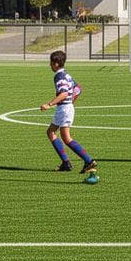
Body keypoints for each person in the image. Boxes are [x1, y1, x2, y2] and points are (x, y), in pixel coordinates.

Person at [39, 50, 98, 183]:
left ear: (56, 63)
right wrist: (71, 101)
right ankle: (66, 163)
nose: (50, 65)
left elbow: (64, 93)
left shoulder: (59, 76)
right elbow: (78, 89)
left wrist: (49, 104)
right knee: (51, 132)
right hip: (66, 108)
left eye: (51, 63)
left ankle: (89, 161)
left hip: (64, 109)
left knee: (66, 138)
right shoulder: (67, 75)